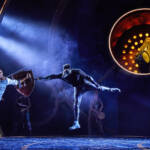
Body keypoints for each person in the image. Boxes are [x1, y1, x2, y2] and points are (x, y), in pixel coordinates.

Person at [37, 64, 121, 130]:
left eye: (67, 73)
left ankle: (112, 89)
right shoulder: (62, 75)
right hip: (78, 88)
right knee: (76, 103)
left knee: (99, 88)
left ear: (70, 70)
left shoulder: (77, 71)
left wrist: (96, 84)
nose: (65, 75)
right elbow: (51, 76)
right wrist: (42, 78)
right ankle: (76, 123)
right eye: (64, 73)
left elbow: (89, 77)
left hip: (86, 84)